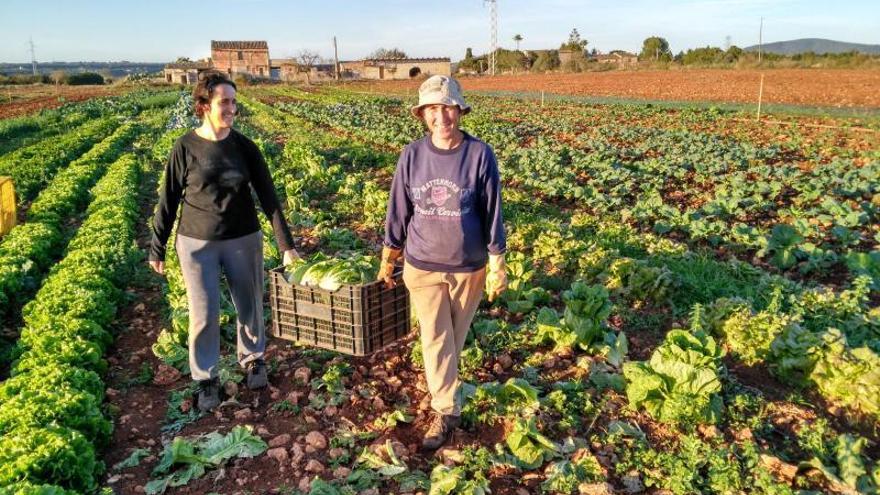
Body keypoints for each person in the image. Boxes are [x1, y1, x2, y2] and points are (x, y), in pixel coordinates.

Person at [148, 71, 299, 412]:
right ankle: (205, 378)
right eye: (224, 102)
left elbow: (268, 197)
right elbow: (168, 199)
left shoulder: (245, 147)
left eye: (234, 101)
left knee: (249, 304)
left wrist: (287, 246)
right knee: (204, 313)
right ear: (203, 106)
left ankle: (254, 359)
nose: (232, 108)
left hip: (243, 239)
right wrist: (157, 246)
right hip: (196, 244)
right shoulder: (185, 147)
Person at [379, 75, 508, 450]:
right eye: (433, 108)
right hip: (422, 264)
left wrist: (498, 261)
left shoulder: (479, 154)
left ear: (459, 110)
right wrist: (389, 257)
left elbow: (492, 211)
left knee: (453, 336)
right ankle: (446, 409)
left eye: (447, 107)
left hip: (469, 266)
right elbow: (398, 210)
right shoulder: (412, 155)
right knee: (435, 336)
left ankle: (443, 388)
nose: (441, 116)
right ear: (423, 114)